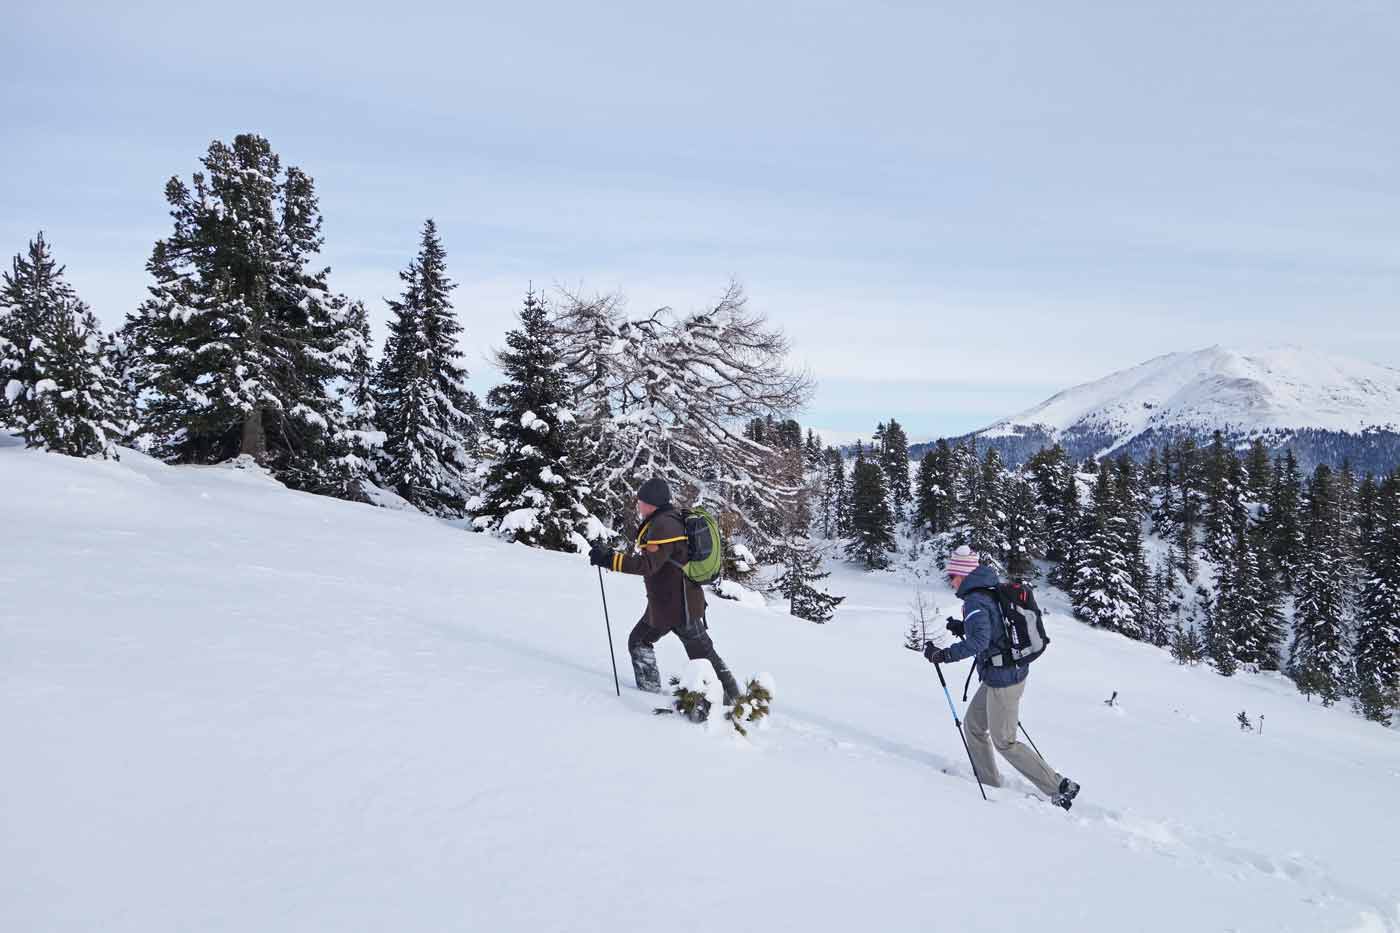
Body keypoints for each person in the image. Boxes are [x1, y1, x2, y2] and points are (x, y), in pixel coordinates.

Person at [925, 546, 1081, 810]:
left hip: (1004, 679)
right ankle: (988, 780)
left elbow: (979, 642)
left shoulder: (975, 601)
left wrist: (943, 655)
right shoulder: (988, 589)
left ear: (963, 575)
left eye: (952, 574)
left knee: (1005, 742)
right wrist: (963, 627)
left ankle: (1060, 787)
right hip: (1001, 675)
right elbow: (994, 630)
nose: (950, 579)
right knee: (974, 726)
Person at [590, 478, 741, 702]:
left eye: (640, 501)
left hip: (678, 606)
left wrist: (610, 560)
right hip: (670, 604)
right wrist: (610, 556)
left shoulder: (663, 526)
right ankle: (653, 694)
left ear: (651, 503)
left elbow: (648, 565)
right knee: (645, 642)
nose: (638, 505)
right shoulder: (667, 519)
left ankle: (735, 703)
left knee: (702, 656)